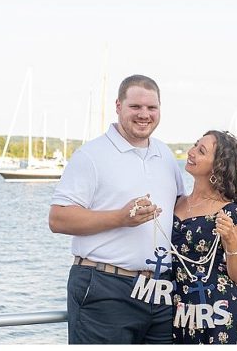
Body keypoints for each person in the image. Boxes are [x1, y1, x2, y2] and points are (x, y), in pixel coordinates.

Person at [49, 75, 185, 344]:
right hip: (105, 285)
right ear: (118, 106)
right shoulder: (91, 155)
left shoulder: (165, 154)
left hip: (160, 289)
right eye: (135, 107)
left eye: (152, 108)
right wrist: (120, 218)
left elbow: (180, 206)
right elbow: (58, 219)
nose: (144, 115)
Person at [170, 130, 237, 344]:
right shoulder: (175, 201)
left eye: (201, 151)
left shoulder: (230, 212)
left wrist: (230, 240)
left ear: (217, 166)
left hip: (219, 316)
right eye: (195, 145)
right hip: (179, 315)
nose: (191, 152)